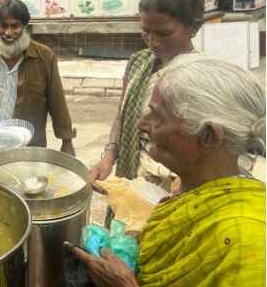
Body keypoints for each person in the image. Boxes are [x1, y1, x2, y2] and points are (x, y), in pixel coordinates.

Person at [72, 55, 266, 286]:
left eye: (157, 116)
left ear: (208, 136)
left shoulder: (245, 242)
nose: (142, 124)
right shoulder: (190, 192)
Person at [90, 0, 204, 182]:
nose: (153, 42)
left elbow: (207, 145)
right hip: (132, 175)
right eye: (146, 31)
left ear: (194, 28)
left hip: (173, 183)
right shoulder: (139, 62)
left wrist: (184, 181)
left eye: (164, 33)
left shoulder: (201, 76)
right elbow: (122, 115)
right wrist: (108, 157)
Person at [0, 0, 75, 155]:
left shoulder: (44, 57)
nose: (8, 32)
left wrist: (66, 141)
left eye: (15, 26)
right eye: (3, 26)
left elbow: (57, 100)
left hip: (29, 143)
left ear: (24, 27)